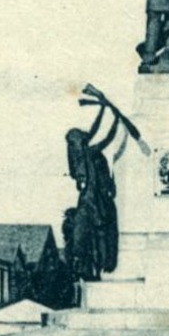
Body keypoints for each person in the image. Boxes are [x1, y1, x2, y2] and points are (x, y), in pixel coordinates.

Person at [65, 104, 122, 281]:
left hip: (86, 201)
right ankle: (98, 266)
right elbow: (107, 138)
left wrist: (104, 110)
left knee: (90, 237)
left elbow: (94, 130)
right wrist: (116, 121)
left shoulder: (77, 155)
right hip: (93, 202)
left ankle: (93, 267)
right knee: (99, 234)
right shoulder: (88, 152)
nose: (85, 136)